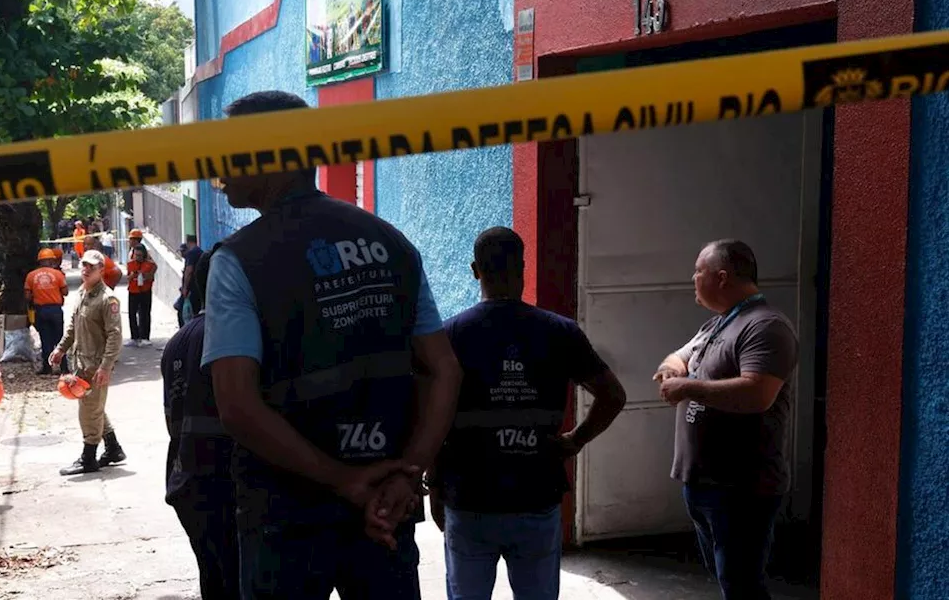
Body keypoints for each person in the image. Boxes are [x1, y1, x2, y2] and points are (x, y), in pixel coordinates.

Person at [202, 90, 463, 599]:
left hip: (287, 514)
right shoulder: (392, 243)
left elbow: (236, 405)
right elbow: (444, 370)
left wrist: (343, 479)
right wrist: (408, 475)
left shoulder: (239, 260)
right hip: (385, 505)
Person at [431, 227, 627, 600]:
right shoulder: (560, 332)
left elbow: (432, 418)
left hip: (470, 499)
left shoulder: (452, 335)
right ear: (522, 267)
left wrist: (435, 485)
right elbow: (613, 396)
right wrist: (575, 439)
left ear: (475, 270)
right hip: (536, 496)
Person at [654, 239, 799, 600]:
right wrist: (671, 369)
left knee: (742, 584)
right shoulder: (718, 325)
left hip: (741, 486)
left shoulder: (765, 327)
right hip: (704, 482)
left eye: (698, 271)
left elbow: (757, 393)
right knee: (728, 578)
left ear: (721, 277)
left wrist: (688, 387)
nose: (692, 278)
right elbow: (680, 356)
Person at [162, 248, 239, 599]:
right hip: (227, 480)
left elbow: (170, 418)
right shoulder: (238, 334)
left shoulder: (178, 340)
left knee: (213, 576)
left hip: (186, 480)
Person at [51, 250, 128, 475]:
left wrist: (106, 366)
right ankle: (113, 448)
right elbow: (73, 328)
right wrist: (60, 349)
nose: (85, 270)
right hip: (81, 363)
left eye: (91, 267)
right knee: (94, 407)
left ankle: (88, 458)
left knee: (88, 411)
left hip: (95, 366)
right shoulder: (82, 293)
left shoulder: (107, 299)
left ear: (101, 271)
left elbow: (115, 336)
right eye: (83, 266)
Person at [26, 248, 69, 375]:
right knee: (60, 339)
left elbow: (27, 296)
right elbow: (65, 292)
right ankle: (64, 367)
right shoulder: (58, 274)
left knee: (45, 339)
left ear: (39, 261)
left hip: (41, 310)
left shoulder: (31, 275)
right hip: (56, 310)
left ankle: (47, 367)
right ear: (51, 260)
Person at [127, 243, 157, 347]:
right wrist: (132, 275)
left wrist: (144, 275)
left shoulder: (150, 264)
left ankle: (145, 337)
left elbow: (151, 276)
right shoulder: (131, 264)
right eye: (136, 255)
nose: (138, 257)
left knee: (145, 313)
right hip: (133, 290)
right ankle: (134, 337)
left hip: (145, 290)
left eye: (140, 255)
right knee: (132, 314)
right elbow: (128, 277)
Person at [178, 235, 203, 326]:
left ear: (188, 242)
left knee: (182, 313)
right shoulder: (200, 252)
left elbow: (189, 271)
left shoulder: (192, 253)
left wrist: (185, 288)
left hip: (191, 289)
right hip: (198, 288)